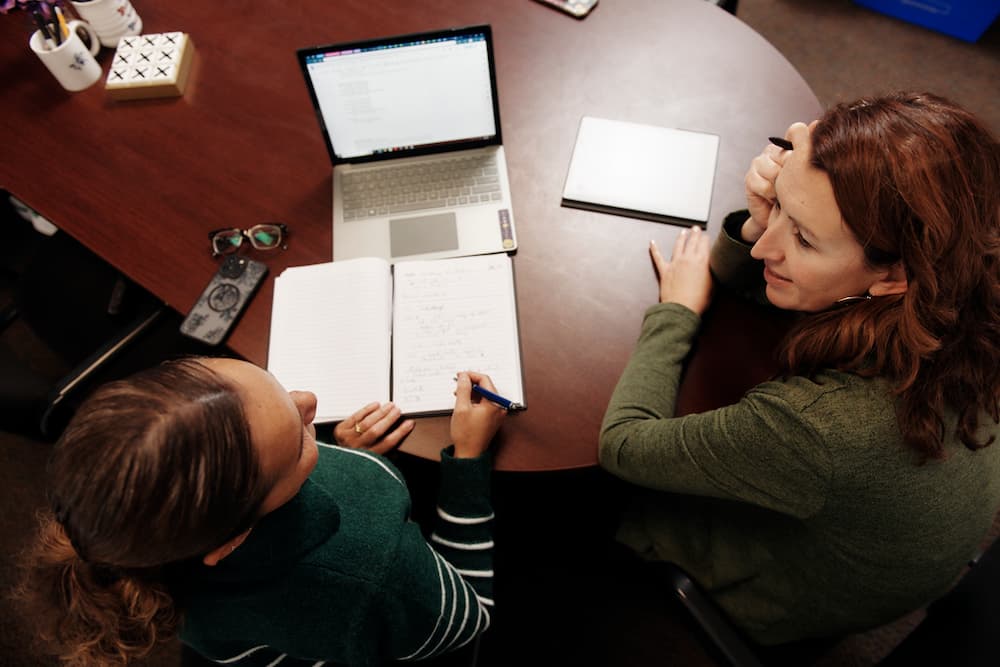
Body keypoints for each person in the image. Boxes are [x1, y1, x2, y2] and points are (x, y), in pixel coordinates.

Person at [599, 92, 1000, 645]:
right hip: (889, 547)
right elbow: (757, 271)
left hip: (787, 594)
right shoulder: (962, 276)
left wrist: (676, 312)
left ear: (893, 276)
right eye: (780, 205)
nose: (764, 247)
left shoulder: (820, 428)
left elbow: (623, 445)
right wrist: (775, 216)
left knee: (582, 509)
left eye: (805, 239)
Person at [15, 357, 507, 665]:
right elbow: (470, 615)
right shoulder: (373, 576)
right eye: (296, 443)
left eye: (279, 389)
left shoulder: (145, 550)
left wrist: (339, 453)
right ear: (230, 538)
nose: (308, 399)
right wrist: (468, 463)